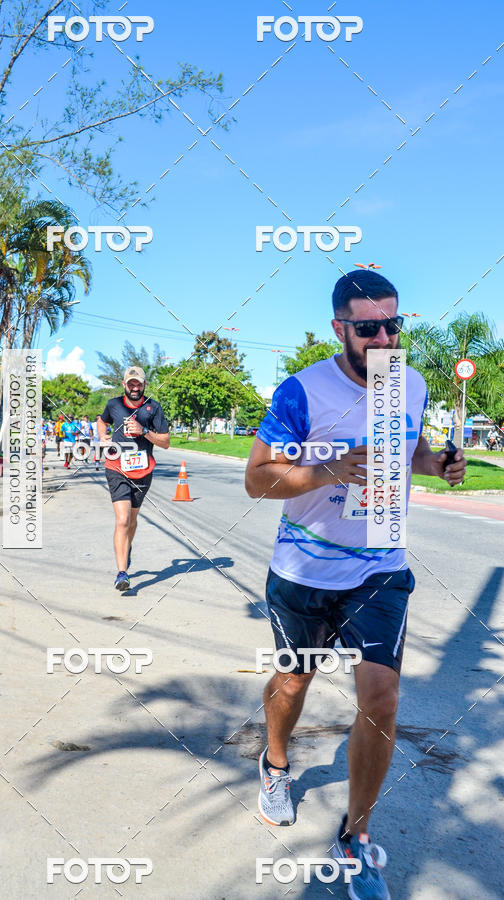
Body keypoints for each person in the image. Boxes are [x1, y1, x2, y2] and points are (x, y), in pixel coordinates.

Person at [245, 270, 466, 900]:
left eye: (394, 324)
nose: (384, 337)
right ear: (339, 328)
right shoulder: (303, 390)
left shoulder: (411, 385)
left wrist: (437, 464)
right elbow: (258, 480)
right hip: (304, 570)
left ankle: (356, 838)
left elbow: (412, 452)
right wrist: (327, 470)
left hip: (380, 567)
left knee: (383, 698)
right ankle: (277, 764)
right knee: (294, 681)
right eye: (368, 327)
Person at [98, 366, 170, 591]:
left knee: (132, 519)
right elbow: (102, 420)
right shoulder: (114, 405)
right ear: (124, 384)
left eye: (138, 383)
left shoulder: (153, 407)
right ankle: (122, 573)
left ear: (144, 384)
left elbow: (166, 442)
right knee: (122, 520)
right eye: (131, 384)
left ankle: (126, 546)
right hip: (116, 467)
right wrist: (103, 436)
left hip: (143, 470)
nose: (135, 387)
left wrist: (143, 431)